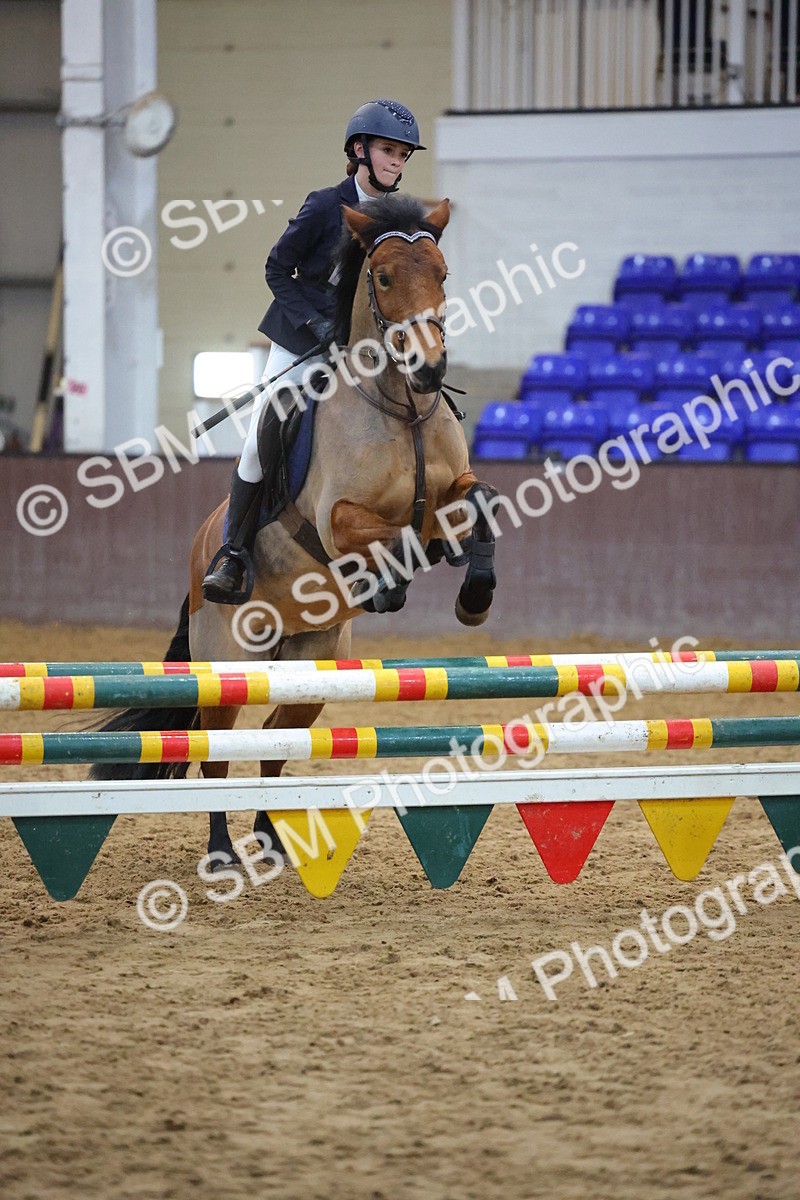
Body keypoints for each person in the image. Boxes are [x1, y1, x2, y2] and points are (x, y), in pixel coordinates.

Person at [202, 99, 426, 603]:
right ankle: (233, 553)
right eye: (389, 151)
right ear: (359, 151)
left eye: (403, 154)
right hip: (304, 342)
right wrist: (317, 321)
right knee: (267, 427)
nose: (397, 162)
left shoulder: (398, 219)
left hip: (365, 352)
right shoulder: (325, 205)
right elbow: (277, 270)